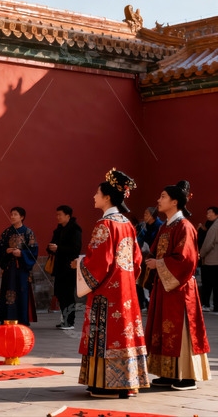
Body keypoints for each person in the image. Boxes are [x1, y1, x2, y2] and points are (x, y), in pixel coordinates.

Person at [72, 169, 149, 398]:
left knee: (105, 335)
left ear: (107, 197)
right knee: (125, 334)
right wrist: (127, 281)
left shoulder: (105, 224)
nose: (94, 196)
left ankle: (105, 384)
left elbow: (100, 262)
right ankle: (127, 382)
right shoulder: (127, 223)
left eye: (97, 193)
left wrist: (80, 263)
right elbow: (137, 260)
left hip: (106, 292)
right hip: (126, 291)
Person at [145, 181, 211, 391]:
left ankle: (187, 376)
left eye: (163, 196)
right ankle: (168, 373)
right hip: (165, 286)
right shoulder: (166, 226)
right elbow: (154, 251)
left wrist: (158, 264)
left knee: (181, 331)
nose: (159, 200)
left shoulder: (185, 227)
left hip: (180, 289)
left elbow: (186, 261)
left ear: (175, 202)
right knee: (164, 330)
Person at [0, 206, 39, 326]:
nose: (12, 217)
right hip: (9, 268)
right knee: (7, 292)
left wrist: (22, 253)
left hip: (22, 269)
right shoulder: (7, 232)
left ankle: (22, 320)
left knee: (22, 292)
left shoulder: (28, 232)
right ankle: (7, 318)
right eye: (11, 214)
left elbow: (34, 251)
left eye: (15, 214)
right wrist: (6, 251)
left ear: (22, 217)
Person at [48, 205, 82, 330]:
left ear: (68, 216)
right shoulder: (58, 229)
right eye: (57, 215)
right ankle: (64, 319)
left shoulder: (75, 229)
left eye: (60, 215)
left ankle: (70, 321)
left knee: (68, 294)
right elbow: (52, 244)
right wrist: (50, 248)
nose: (57, 217)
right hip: (59, 267)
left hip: (69, 267)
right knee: (60, 294)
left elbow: (76, 248)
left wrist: (58, 248)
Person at [198, 207, 218, 311]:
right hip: (214, 259)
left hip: (211, 259)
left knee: (208, 283)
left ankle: (207, 305)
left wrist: (201, 254)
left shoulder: (215, 226)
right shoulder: (210, 224)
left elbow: (208, 243)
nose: (207, 214)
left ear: (216, 214)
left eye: (210, 212)